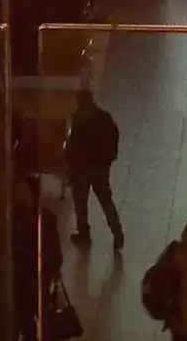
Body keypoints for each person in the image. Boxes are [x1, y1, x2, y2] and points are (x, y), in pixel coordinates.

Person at [64, 88, 124, 250]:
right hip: (101, 168)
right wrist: (110, 158)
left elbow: (72, 147)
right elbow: (115, 136)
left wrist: (69, 167)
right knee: (105, 200)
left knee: (81, 202)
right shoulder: (105, 117)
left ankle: (84, 233)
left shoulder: (79, 121)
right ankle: (117, 231)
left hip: (83, 169)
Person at [10, 177, 61, 341]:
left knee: (41, 311)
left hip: (39, 273)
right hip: (21, 274)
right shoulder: (12, 220)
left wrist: (56, 267)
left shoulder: (46, 218)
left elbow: (53, 246)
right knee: (25, 314)